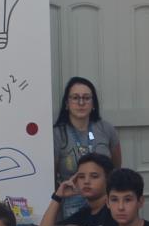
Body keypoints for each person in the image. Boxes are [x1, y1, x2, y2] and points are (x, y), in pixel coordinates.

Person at [52, 76, 122, 218]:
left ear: (93, 103)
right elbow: (52, 177)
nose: (81, 103)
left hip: (104, 202)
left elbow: (116, 168)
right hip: (72, 204)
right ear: (67, 103)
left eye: (86, 98)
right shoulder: (57, 134)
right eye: (75, 98)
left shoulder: (106, 129)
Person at [41, 152, 116, 226]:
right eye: (81, 176)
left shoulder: (116, 212)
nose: (86, 181)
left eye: (94, 176)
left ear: (108, 179)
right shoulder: (82, 216)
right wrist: (58, 197)